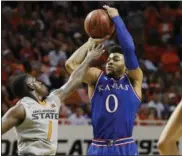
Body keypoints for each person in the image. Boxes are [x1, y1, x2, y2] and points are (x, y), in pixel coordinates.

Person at [66, 5, 143, 156]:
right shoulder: (96, 78)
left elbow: (128, 48)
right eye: (108, 59)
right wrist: (90, 42)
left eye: (115, 59)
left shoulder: (133, 80)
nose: (109, 61)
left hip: (125, 146)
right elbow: (70, 65)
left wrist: (116, 18)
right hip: (99, 147)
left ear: (126, 66)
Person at [2, 44, 104, 156]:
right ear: (30, 86)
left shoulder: (53, 100)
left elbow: (75, 79)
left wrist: (88, 58)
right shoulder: (20, 109)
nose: (42, 83)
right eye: (36, 81)